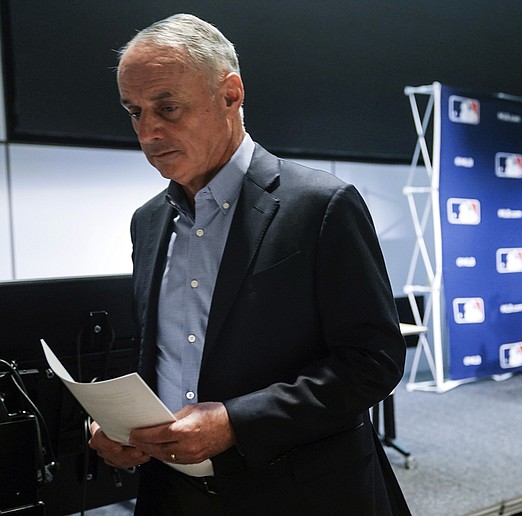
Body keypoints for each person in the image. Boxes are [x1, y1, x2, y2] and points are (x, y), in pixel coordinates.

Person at [88, 13, 410, 515]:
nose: (148, 131)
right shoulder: (147, 222)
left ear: (230, 95)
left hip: (299, 494)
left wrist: (237, 422)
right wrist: (124, 425)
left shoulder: (321, 206)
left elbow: (373, 361)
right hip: (172, 495)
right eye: (134, 111)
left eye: (167, 108)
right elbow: (168, 357)